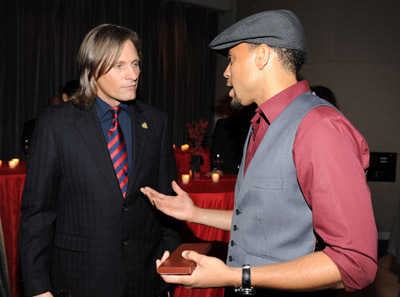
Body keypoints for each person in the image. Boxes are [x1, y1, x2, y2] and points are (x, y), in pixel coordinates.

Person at [141, 10, 378, 296]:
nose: (226, 73)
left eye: (232, 59)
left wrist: (234, 276)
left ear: (262, 56)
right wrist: (194, 213)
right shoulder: (260, 123)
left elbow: (355, 264)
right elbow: (262, 220)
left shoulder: (320, 128)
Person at [19, 24, 180, 297]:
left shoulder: (156, 122)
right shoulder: (56, 123)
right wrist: (37, 287)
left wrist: (168, 259)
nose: (133, 75)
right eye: (119, 66)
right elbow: (38, 213)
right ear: (92, 70)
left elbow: (168, 202)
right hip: (79, 279)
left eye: (136, 64)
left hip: (144, 280)